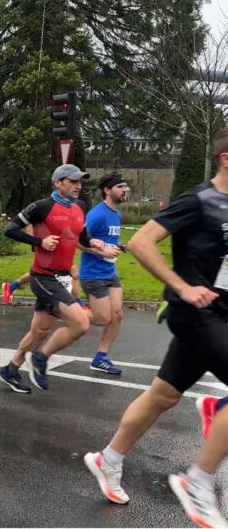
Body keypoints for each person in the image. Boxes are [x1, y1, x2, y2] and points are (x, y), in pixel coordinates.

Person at [83, 130, 228, 527]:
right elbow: (144, 241)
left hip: (223, 313)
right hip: (197, 312)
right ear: (226, 159)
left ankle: (107, 458)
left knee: (162, 395)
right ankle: (197, 482)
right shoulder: (199, 200)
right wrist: (183, 287)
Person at [0, 164, 103, 394]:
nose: (78, 186)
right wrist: (39, 243)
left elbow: (81, 235)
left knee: (40, 332)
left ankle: (11, 370)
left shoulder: (80, 207)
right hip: (44, 277)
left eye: (80, 182)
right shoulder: (42, 207)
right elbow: (9, 229)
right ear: (58, 183)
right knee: (81, 323)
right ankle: (41, 359)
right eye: (73, 181)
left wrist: (93, 242)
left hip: (63, 278)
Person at [78, 174, 128, 375]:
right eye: (120, 187)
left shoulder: (116, 214)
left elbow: (106, 240)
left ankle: (101, 357)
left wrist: (118, 246)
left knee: (117, 315)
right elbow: (78, 241)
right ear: (107, 190)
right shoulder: (97, 214)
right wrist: (100, 251)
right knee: (102, 318)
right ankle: (68, 312)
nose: (125, 190)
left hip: (109, 271)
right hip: (92, 273)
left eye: (125, 187)